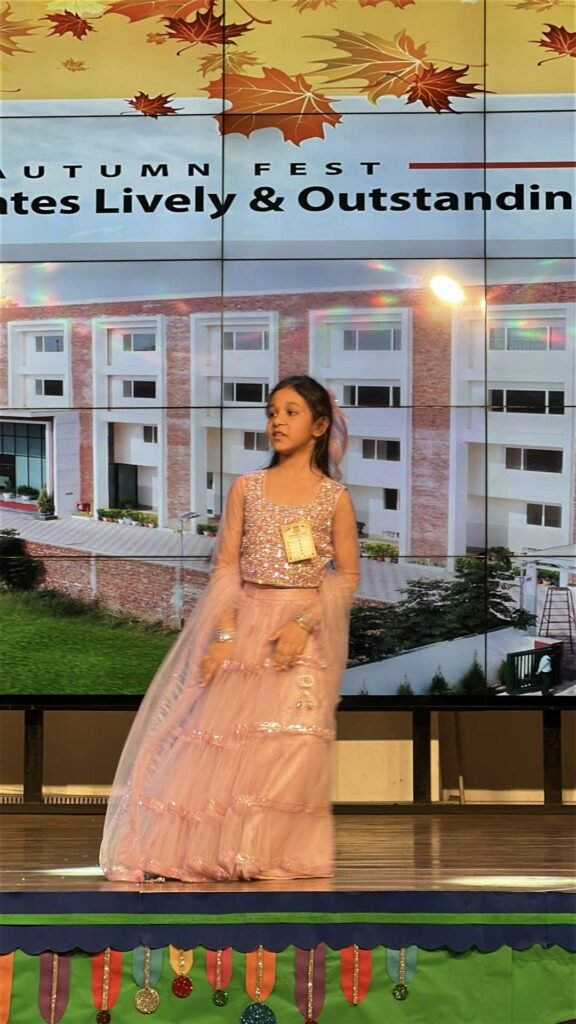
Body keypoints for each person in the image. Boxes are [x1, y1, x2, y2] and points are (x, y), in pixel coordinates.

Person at [100, 375, 360, 882]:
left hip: (301, 636)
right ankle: (221, 852)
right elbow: (225, 568)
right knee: (225, 744)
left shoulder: (334, 498)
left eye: (290, 412)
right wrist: (222, 636)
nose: (277, 422)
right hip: (246, 627)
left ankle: (266, 854)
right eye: (272, 413)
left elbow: (347, 576)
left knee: (293, 744)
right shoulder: (249, 488)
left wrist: (303, 623)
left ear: (319, 426)